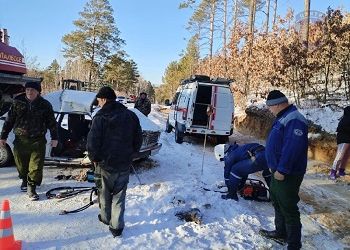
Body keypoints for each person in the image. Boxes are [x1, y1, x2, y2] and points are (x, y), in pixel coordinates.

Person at [87, 86, 143, 237]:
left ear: (104, 99)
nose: (98, 103)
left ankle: (106, 218)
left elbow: (92, 142)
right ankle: (117, 227)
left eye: (98, 100)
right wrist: (131, 154)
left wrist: (94, 159)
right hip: (124, 164)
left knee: (104, 194)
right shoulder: (130, 115)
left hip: (105, 164)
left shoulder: (100, 117)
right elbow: (138, 138)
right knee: (119, 196)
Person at [259, 90, 308, 250]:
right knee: (277, 202)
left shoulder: (295, 119)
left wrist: (283, 170)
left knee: (288, 206)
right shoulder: (283, 117)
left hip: (287, 173)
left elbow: (293, 147)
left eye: (270, 107)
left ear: (279, 104)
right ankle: (281, 232)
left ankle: (294, 244)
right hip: (277, 171)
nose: (269, 110)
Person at [0, 81, 58, 201]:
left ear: (38, 92)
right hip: (20, 140)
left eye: (32, 90)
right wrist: (3, 136)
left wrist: (55, 138)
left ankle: (31, 187)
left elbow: (52, 122)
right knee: (21, 165)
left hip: (38, 140)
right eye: (27, 90)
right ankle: (24, 180)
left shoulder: (45, 105)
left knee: (36, 166)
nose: (29, 92)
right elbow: (9, 120)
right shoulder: (17, 103)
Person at [329, 106, 350, 180]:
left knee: (346, 156)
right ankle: (333, 172)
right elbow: (341, 129)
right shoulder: (345, 120)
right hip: (343, 139)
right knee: (340, 156)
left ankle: (341, 170)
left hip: (348, 138)